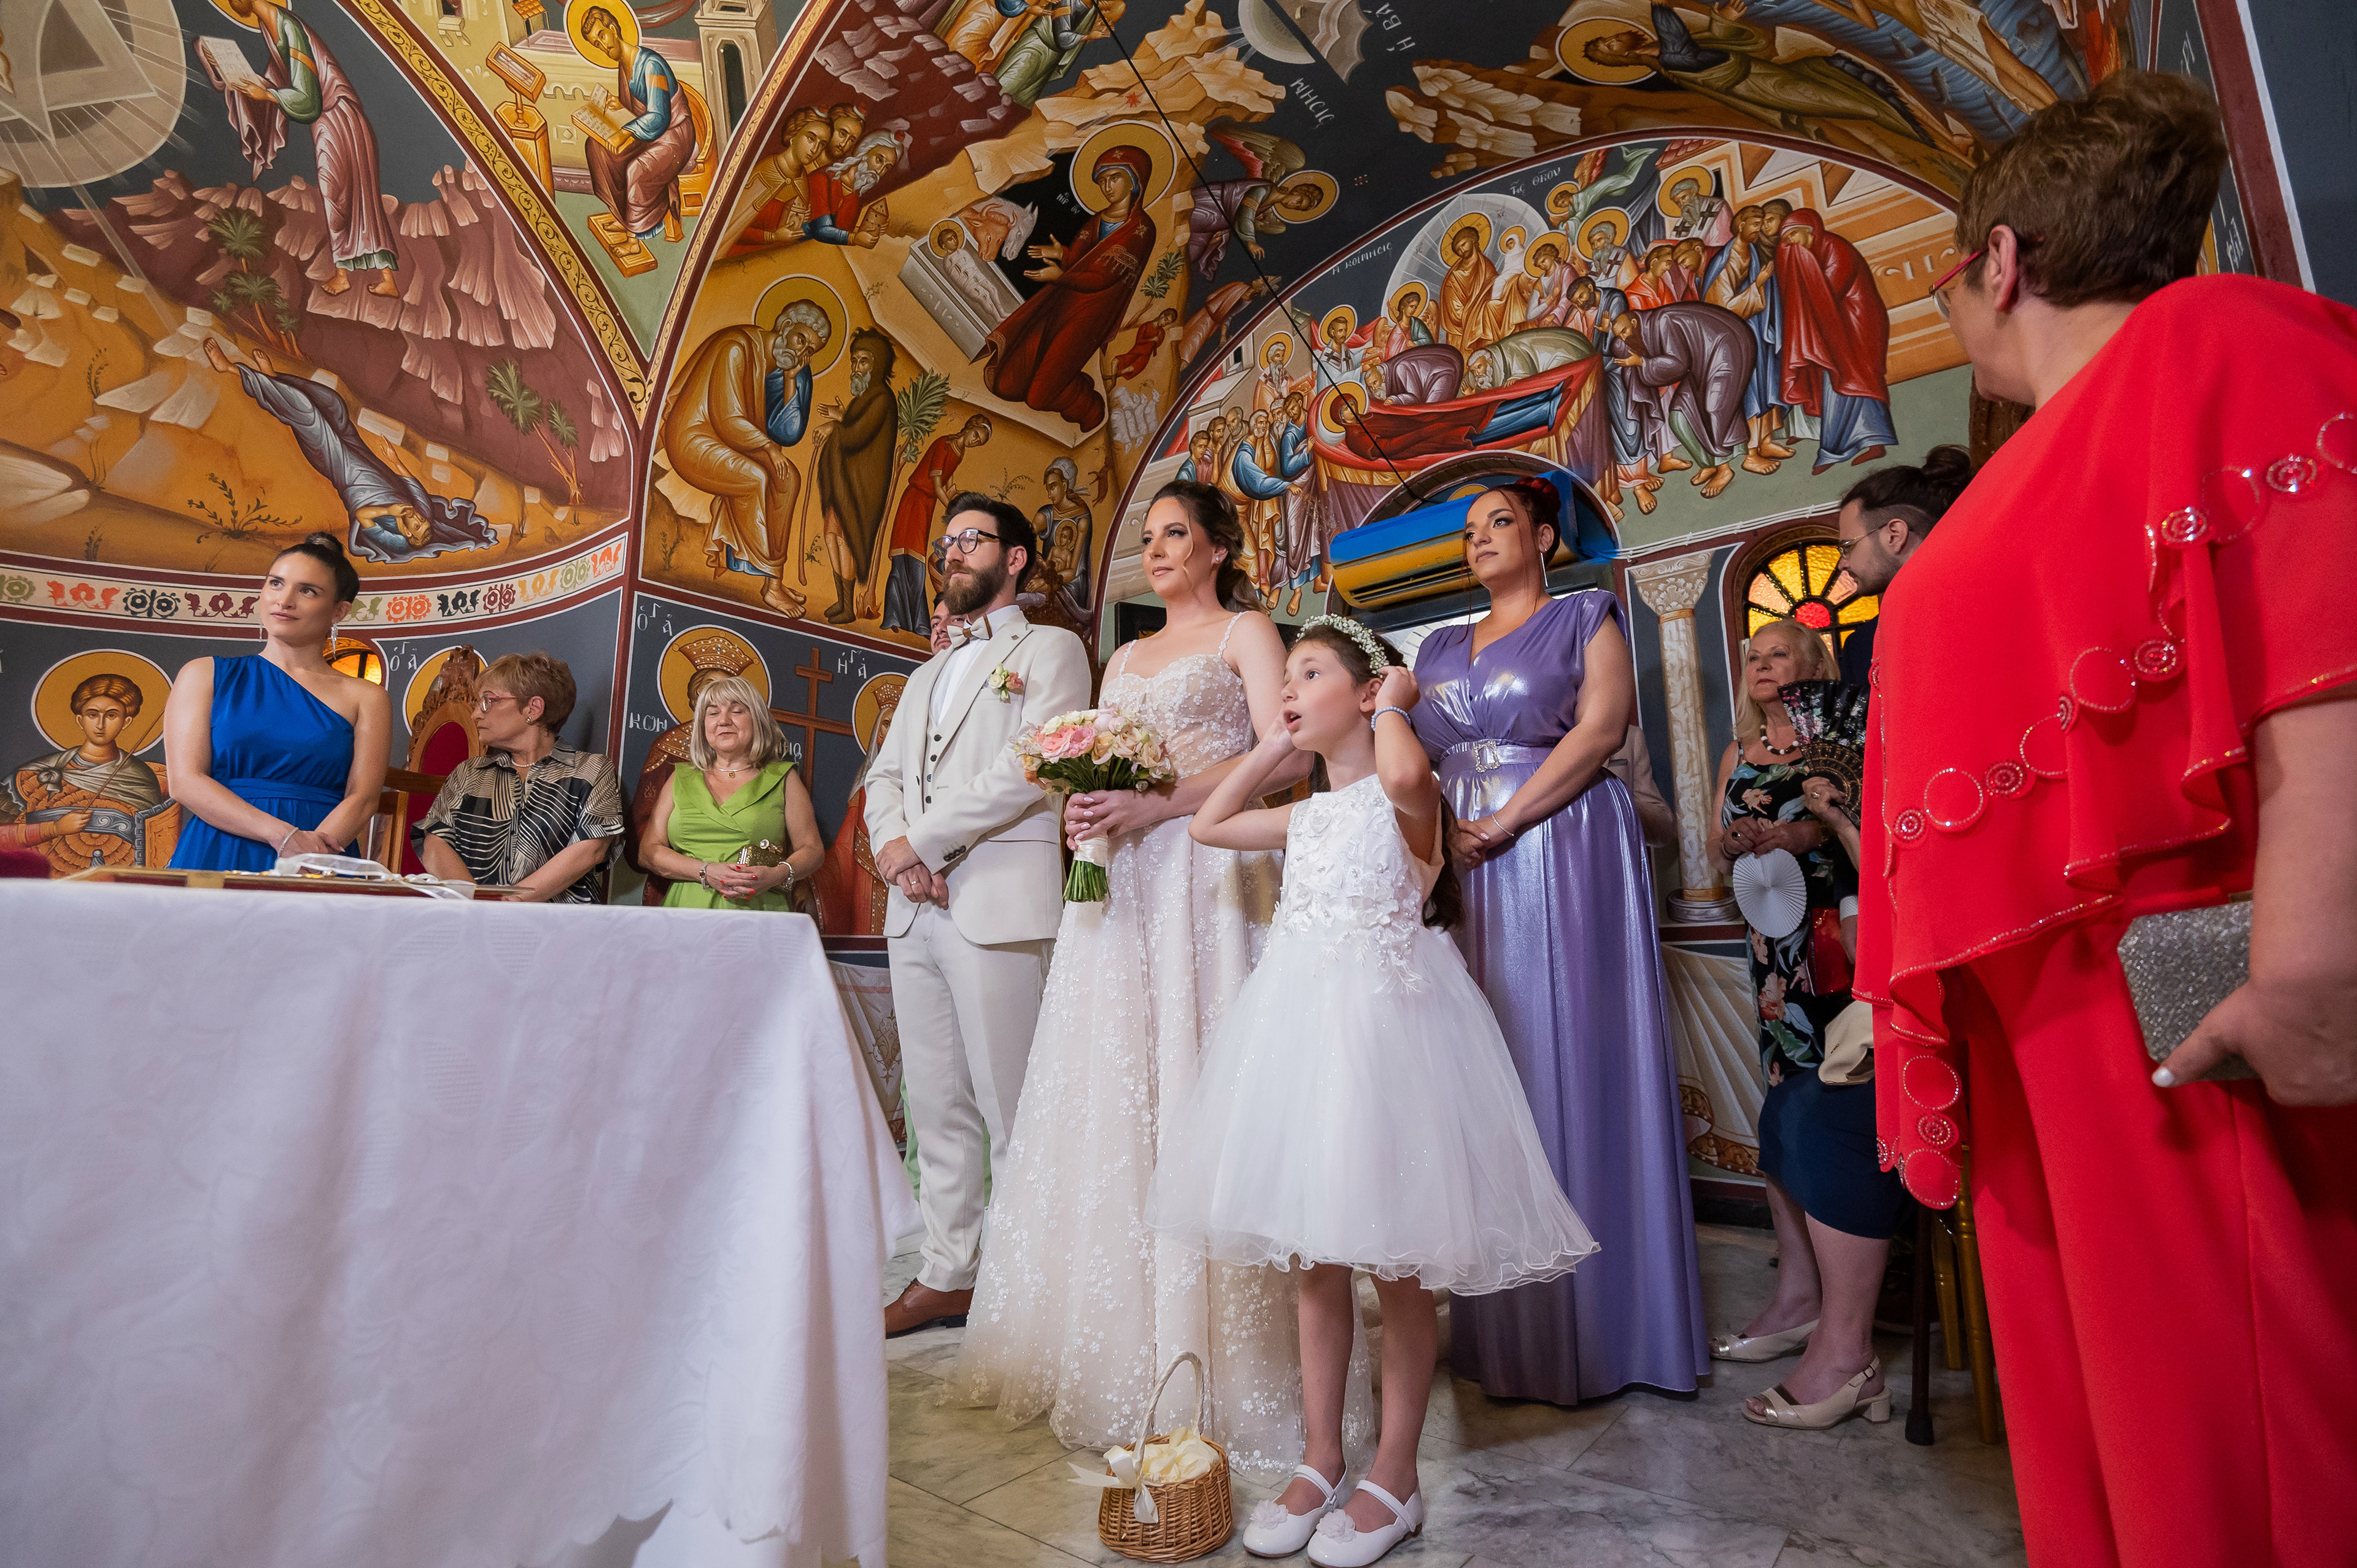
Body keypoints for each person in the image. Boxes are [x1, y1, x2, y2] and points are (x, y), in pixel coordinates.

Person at [1863, 71, 2357, 1567]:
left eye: (1948, 280)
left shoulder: (2208, 339)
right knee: (2121, 1456)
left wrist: (2308, 969)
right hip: (2055, 1061)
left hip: (2203, 1002)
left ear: (2002, 260)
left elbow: (2323, 637)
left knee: (2246, 1446)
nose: (1955, 309)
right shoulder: (2040, 457)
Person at [1151, 617, 1596, 1566]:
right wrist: (1273, 744)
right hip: (1304, 1039)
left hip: (1392, 1039)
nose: (1289, 686)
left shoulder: (1411, 793)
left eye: (1310, 672)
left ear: (1366, 693)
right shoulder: (1307, 814)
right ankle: (1322, 1457)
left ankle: (1396, 1473)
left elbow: (1399, 774)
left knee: (1399, 1264)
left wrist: (1395, 701)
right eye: (1286, 674)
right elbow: (1208, 822)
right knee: (1316, 1257)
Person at [949, 479, 1374, 1470]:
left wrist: (1161, 803)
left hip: (1210, 872)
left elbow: (1284, 755)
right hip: (1122, 886)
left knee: (1207, 1077)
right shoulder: (1125, 655)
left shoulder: (1245, 632)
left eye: (1177, 532)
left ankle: (1230, 1356)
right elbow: (1107, 758)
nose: (1159, 548)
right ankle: (1119, 1348)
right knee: (1115, 1091)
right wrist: (1085, 806)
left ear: (1219, 547)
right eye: (1149, 536)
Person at [1408, 480, 1706, 1406]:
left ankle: (1615, 1324)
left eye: (1499, 522)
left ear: (1543, 537)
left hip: (1563, 844)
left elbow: (1602, 729)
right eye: (1468, 531)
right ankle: (1512, 1333)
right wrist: (1437, 835)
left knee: (1573, 1052)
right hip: (1462, 860)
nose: (1479, 540)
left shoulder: (1585, 616)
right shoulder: (1435, 648)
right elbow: (1405, 755)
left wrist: (1505, 820)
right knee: (1487, 1065)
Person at [864, 495, 1092, 1337]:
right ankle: (948, 1269)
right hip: (914, 907)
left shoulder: (1052, 649)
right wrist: (895, 850)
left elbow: (1033, 764)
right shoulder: (926, 673)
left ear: (1016, 556)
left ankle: (1031, 1281)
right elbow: (884, 776)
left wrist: (922, 842)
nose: (952, 552)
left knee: (1012, 1104)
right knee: (935, 1104)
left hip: (995, 899)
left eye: (971, 539)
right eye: (947, 541)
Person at [1706, 617, 1900, 1428]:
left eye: (1777, 652)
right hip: (1770, 943)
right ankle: (1800, 1291)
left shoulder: (1837, 739)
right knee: (1783, 1101)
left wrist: (1802, 831)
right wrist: (1735, 841)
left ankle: (1853, 1297)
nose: (1761, 665)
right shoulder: (1738, 749)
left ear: (1813, 663)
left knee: (1844, 1096)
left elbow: (1863, 821)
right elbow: (1713, 848)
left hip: (1842, 933)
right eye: (1752, 656)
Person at [163, 534, 390, 871]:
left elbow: (364, 797)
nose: (284, 600)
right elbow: (185, 782)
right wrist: (284, 836)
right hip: (220, 847)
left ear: (339, 611)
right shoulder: (203, 674)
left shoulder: (368, 696)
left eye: (308, 591)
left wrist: (313, 856)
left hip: (323, 853)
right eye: (276, 583)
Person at [661, 299, 831, 619]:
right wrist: (768, 449)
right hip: (693, 437)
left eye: (810, 350)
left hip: (735, 441)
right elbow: (727, 418)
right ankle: (770, 584)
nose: (802, 352)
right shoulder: (736, 348)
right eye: (801, 339)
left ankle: (773, 582)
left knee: (788, 479)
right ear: (785, 326)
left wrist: (791, 379)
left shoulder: (783, 367)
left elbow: (788, 433)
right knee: (756, 478)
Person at [416, 652, 623, 903]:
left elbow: (591, 849)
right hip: (470, 916)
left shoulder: (591, 770)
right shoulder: (468, 773)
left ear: (533, 709)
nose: (475, 714)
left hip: (559, 922)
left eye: (487, 701)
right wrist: (477, 905)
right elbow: (436, 844)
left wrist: (510, 904)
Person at [980, 145, 1155, 431]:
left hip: (1089, 316)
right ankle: (1070, 378)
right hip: (1060, 303)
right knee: (1007, 382)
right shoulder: (1099, 220)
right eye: (1102, 181)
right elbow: (1082, 260)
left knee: (1038, 398)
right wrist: (1062, 254)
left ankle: (1090, 408)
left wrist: (1059, 276)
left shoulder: (1141, 228)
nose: (1107, 187)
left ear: (1135, 179)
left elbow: (1102, 277)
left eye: (1115, 178)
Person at [639, 674, 823, 911]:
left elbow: (812, 850)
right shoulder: (680, 778)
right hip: (687, 910)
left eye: (737, 711)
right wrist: (705, 871)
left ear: (757, 720)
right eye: (713, 713)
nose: (723, 721)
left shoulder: (783, 778)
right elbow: (648, 852)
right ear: (703, 725)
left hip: (757, 909)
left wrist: (777, 875)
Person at [1829, 445, 1973, 686]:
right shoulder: (1864, 643)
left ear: (1894, 535)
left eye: (1848, 547)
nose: (1842, 564)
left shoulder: (1978, 607)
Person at [6, 673, 168, 875]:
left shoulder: (143, 778)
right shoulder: (32, 775)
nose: (100, 725)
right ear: (80, 720)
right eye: (93, 715)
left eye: (111, 716)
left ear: (126, 722)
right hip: (44, 883)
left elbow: (157, 845)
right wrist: (54, 828)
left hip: (117, 883)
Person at [578, 3, 697, 244]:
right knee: (596, 148)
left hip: (674, 135)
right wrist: (618, 107)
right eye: (596, 44)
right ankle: (623, 217)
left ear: (613, 28)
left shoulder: (651, 65)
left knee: (637, 170)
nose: (603, 46)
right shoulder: (624, 66)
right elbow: (637, 110)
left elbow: (659, 117)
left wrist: (624, 133)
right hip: (648, 133)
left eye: (602, 36)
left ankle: (635, 236)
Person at [813, 328, 900, 624]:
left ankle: (849, 608)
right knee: (831, 536)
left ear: (878, 365)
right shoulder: (863, 400)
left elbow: (857, 436)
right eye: (854, 361)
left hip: (862, 488)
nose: (857, 367)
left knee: (846, 540)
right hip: (844, 482)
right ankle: (841, 601)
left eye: (864, 361)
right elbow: (852, 428)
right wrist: (841, 417)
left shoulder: (883, 399)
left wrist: (836, 424)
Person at [881, 414, 992, 637]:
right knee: (904, 557)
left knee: (917, 560)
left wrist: (957, 497)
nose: (974, 441)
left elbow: (947, 483)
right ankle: (894, 616)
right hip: (915, 499)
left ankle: (918, 623)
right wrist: (955, 510)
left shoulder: (958, 453)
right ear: (970, 426)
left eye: (979, 442)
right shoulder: (944, 444)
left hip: (926, 504)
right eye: (976, 435)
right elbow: (937, 484)